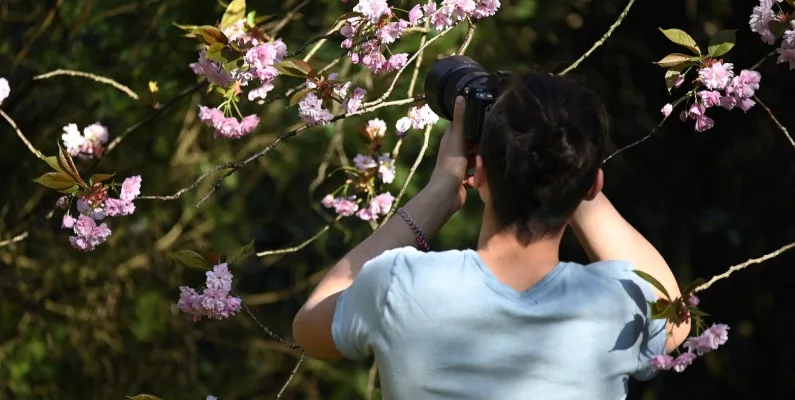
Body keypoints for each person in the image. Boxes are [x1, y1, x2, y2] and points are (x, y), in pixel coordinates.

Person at [292, 71, 689, 399]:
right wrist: (567, 168)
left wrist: (438, 195)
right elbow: (677, 321)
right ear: (593, 185)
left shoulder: (400, 285)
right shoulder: (618, 302)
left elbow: (310, 325)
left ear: (479, 172)